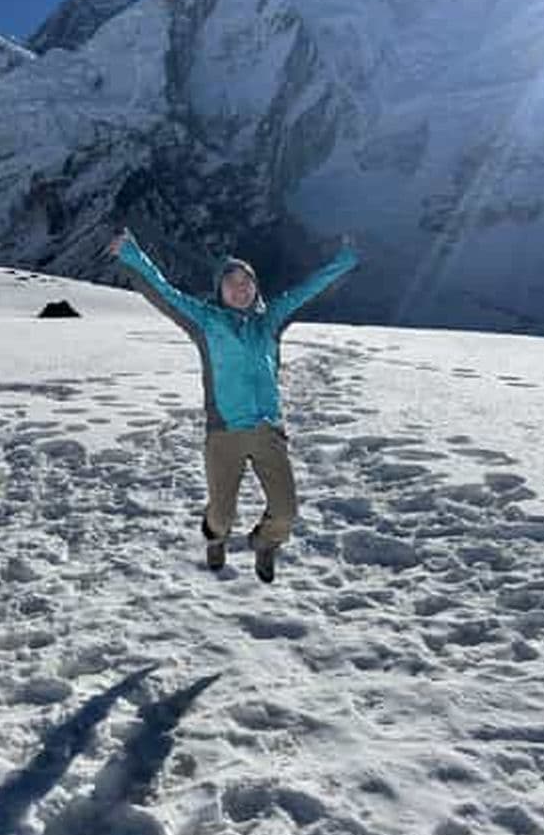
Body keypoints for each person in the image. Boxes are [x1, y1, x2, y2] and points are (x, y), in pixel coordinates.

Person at [109, 227, 360, 582]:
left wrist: (345, 262)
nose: (240, 289)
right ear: (219, 290)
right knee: (221, 515)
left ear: (255, 287)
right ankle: (216, 538)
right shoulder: (205, 321)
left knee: (286, 513)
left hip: (268, 431)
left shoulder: (270, 319)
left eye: (247, 282)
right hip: (224, 433)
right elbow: (163, 291)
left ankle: (264, 542)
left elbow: (309, 289)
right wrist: (132, 254)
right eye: (232, 283)